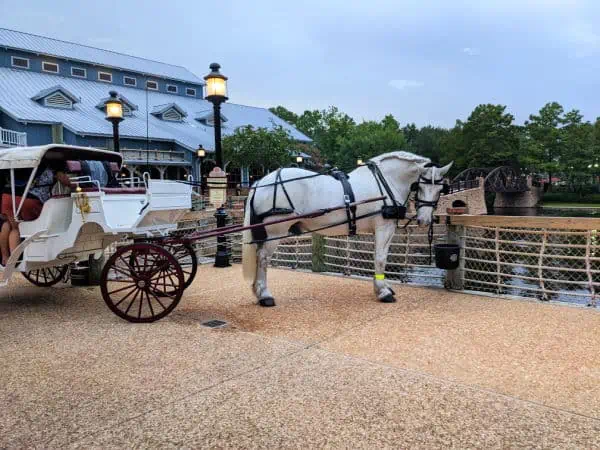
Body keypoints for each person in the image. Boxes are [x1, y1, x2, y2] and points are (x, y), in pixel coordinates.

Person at [0, 162, 70, 266]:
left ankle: (5, 258)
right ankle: (14, 262)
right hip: (29, 200)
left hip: (8, 196)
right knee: (19, 229)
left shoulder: (29, 163)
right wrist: (76, 185)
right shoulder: (53, 166)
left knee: (10, 225)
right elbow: (65, 181)